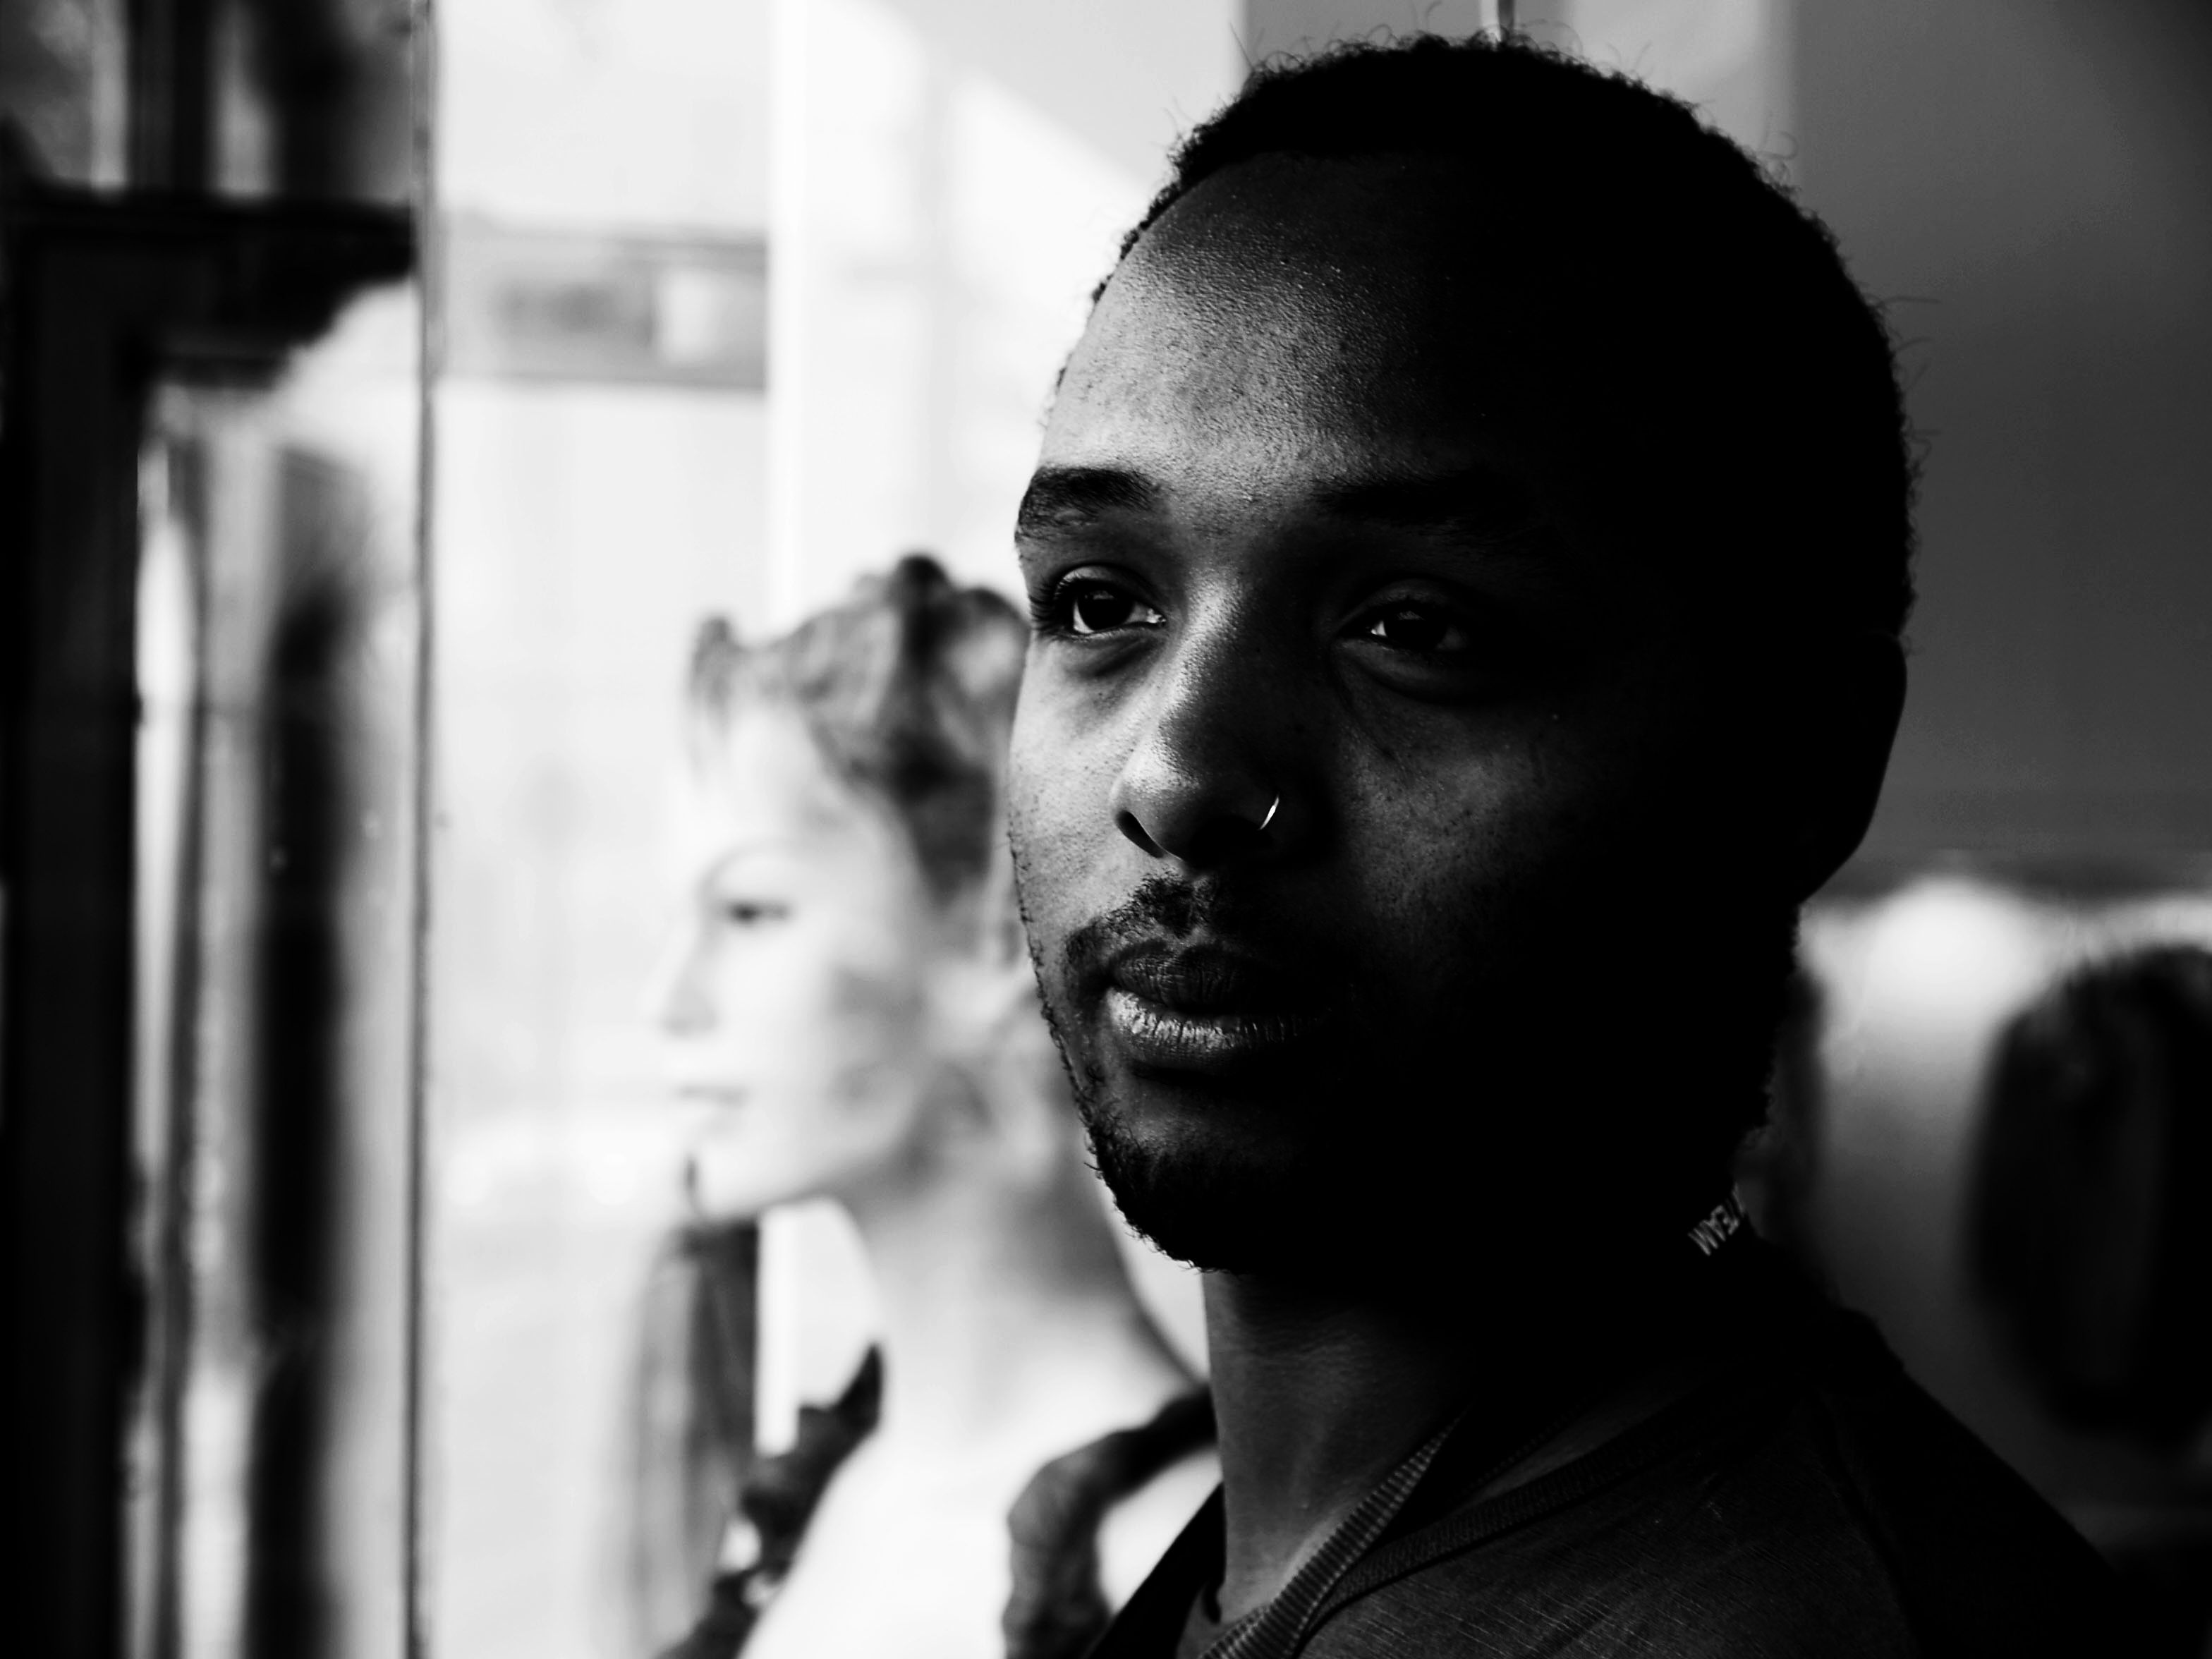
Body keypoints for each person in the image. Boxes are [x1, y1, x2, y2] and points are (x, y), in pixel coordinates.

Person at [1004, 33, 2134, 1658]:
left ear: (1797, 766)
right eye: (1099, 603)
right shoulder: (1268, 1559)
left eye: (1412, 627)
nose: (1175, 777)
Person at [650, 556, 1215, 1659]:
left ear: (1003, 933)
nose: (667, 999)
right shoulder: (811, 1501)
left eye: (752, 911)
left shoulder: (1169, 1565)